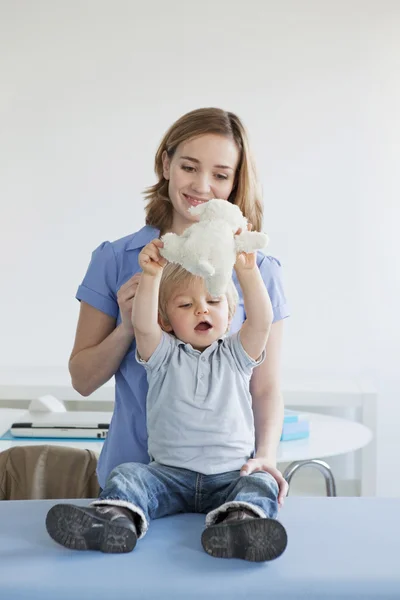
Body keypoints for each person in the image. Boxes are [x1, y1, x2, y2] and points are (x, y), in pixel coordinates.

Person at [63, 107, 289, 502]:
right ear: (166, 164)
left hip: (229, 477)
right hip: (134, 480)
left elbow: (266, 387)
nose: (202, 186)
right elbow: (82, 380)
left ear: (235, 182)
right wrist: (128, 327)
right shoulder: (116, 259)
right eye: (189, 166)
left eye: (220, 174)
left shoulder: (260, 271)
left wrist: (266, 456)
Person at [46, 240, 288, 561]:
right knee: (128, 475)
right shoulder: (162, 355)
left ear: (229, 316)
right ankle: (114, 521)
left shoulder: (237, 355)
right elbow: (142, 324)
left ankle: (239, 525)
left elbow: (261, 321)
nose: (201, 309)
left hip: (231, 475)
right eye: (185, 306)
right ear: (167, 321)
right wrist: (151, 273)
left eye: (213, 301)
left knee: (259, 483)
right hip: (168, 475)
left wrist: (246, 271)